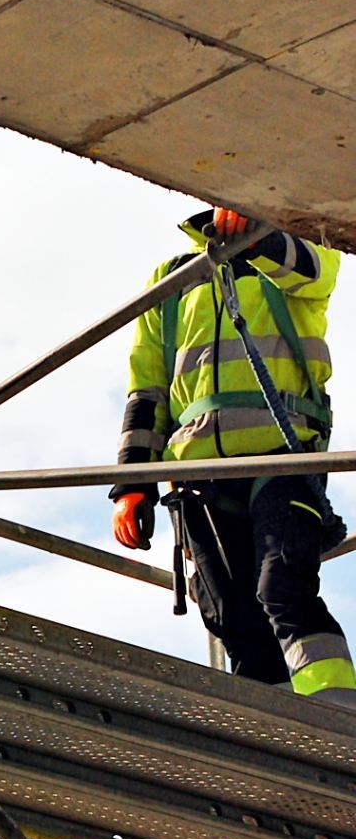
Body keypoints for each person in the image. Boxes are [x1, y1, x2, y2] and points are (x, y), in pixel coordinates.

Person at [111, 207, 356, 709]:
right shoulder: (174, 278)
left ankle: (339, 712)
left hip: (283, 454)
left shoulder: (301, 250)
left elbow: (313, 268)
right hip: (197, 471)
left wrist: (255, 236)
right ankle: (271, 728)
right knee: (230, 613)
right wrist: (134, 484)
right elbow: (148, 389)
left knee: (282, 584)